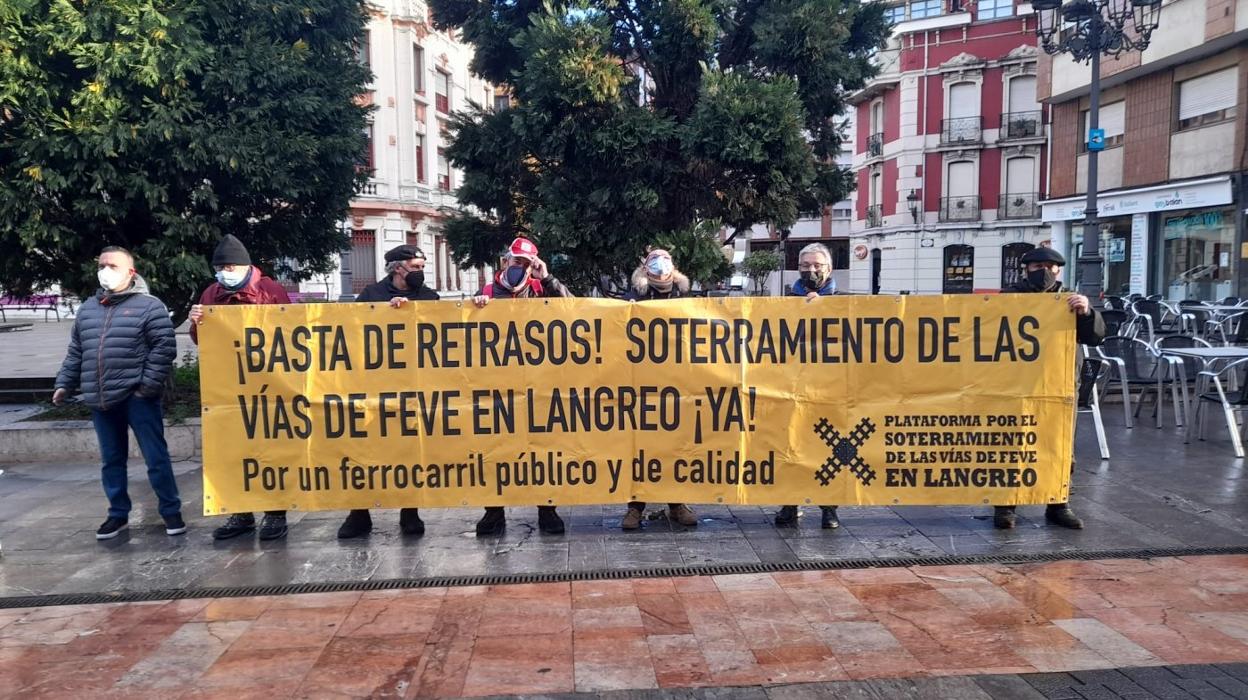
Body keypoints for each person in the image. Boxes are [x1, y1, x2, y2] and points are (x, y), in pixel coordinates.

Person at [53, 246, 184, 540]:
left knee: (155, 458)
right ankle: (117, 515)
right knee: (111, 460)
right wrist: (64, 383)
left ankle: (171, 511)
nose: (105, 270)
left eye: (113, 265)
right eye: (102, 265)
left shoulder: (150, 306)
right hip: (100, 399)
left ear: (130, 272)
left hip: (137, 398)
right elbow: (77, 351)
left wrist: (146, 388)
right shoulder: (88, 308)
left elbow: (164, 348)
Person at [187, 234, 294, 540]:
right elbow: (202, 341)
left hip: (268, 385)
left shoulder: (269, 290)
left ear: (247, 266)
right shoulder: (211, 293)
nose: (224, 272)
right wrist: (196, 322)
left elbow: (289, 333)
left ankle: (275, 514)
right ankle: (241, 513)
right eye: (219, 267)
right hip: (229, 387)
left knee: (272, 451)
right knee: (232, 450)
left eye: (230, 266)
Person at [994, 246, 1105, 529]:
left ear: (1058, 270)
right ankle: (1005, 507)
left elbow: (1095, 337)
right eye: (1036, 266)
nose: (1043, 271)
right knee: (1010, 446)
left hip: (1061, 384)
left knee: (1060, 446)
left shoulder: (1070, 299)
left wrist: (1088, 312)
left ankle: (1058, 505)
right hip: (1015, 384)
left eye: (1049, 266)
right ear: (1026, 270)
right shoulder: (1009, 297)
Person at [337, 244, 439, 539]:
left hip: (414, 387)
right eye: (416, 267)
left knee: (410, 451)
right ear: (397, 268)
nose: (420, 272)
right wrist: (384, 314)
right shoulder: (371, 295)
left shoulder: (429, 297)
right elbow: (351, 331)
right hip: (375, 387)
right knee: (365, 450)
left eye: (422, 267)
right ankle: (359, 515)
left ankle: (410, 513)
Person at [471, 237, 572, 536]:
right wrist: (475, 309)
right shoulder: (487, 292)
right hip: (498, 386)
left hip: (539, 384)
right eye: (517, 262)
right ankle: (493, 512)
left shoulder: (542, 289)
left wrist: (548, 278)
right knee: (495, 449)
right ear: (506, 261)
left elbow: (574, 311)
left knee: (542, 449)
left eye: (527, 263)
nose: (521, 268)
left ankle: (547, 510)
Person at [619, 249, 699, 530]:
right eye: (654, 258)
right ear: (645, 267)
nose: (660, 263)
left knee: (675, 447)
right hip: (642, 387)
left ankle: (677, 504)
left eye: (665, 258)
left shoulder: (686, 298)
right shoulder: (633, 299)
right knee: (639, 448)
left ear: (674, 266)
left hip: (678, 387)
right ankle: (635, 507)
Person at [775, 243, 842, 530]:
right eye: (805, 265)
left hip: (830, 388)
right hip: (792, 388)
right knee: (792, 446)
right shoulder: (785, 301)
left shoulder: (845, 301)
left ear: (829, 269)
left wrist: (823, 308)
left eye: (817, 265)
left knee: (829, 448)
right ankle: (790, 505)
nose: (811, 270)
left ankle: (829, 509)